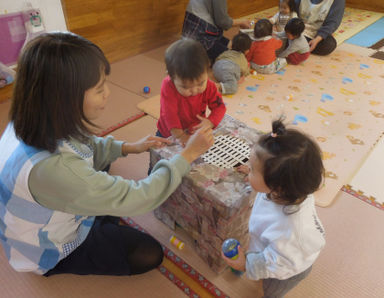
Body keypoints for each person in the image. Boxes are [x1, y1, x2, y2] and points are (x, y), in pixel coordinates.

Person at [0, 32, 214, 276]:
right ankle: (89, 226)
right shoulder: (55, 169)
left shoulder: (31, 119)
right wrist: (187, 155)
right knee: (149, 253)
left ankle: (100, 206)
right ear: (65, 97)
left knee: (100, 168)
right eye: (99, 89)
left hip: (52, 195)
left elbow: (83, 145)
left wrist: (127, 147)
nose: (108, 94)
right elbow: (138, 198)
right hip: (48, 246)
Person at [222, 118, 326, 298]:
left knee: (270, 291)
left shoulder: (290, 229)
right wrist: (255, 175)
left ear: (277, 187)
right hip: (276, 246)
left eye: (253, 169)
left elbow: (277, 263)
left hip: (288, 268)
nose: (249, 169)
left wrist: (246, 265)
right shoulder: (290, 189)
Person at [157, 38, 226, 146]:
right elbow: (169, 114)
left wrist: (210, 122)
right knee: (161, 158)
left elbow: (219, 107)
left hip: (194, 130)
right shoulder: (168, 86)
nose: (194, 91)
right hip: (168, 133)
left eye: (200, 84)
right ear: (171, 77)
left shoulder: (209, 86)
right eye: (185, 87)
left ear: (207, 69)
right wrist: (180, 136)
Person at [181, 0, 251, 62]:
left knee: (229, 44)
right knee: (234, 59)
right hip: (200, 37)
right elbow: (222, 22)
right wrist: (241, 22)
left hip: (192, 30)